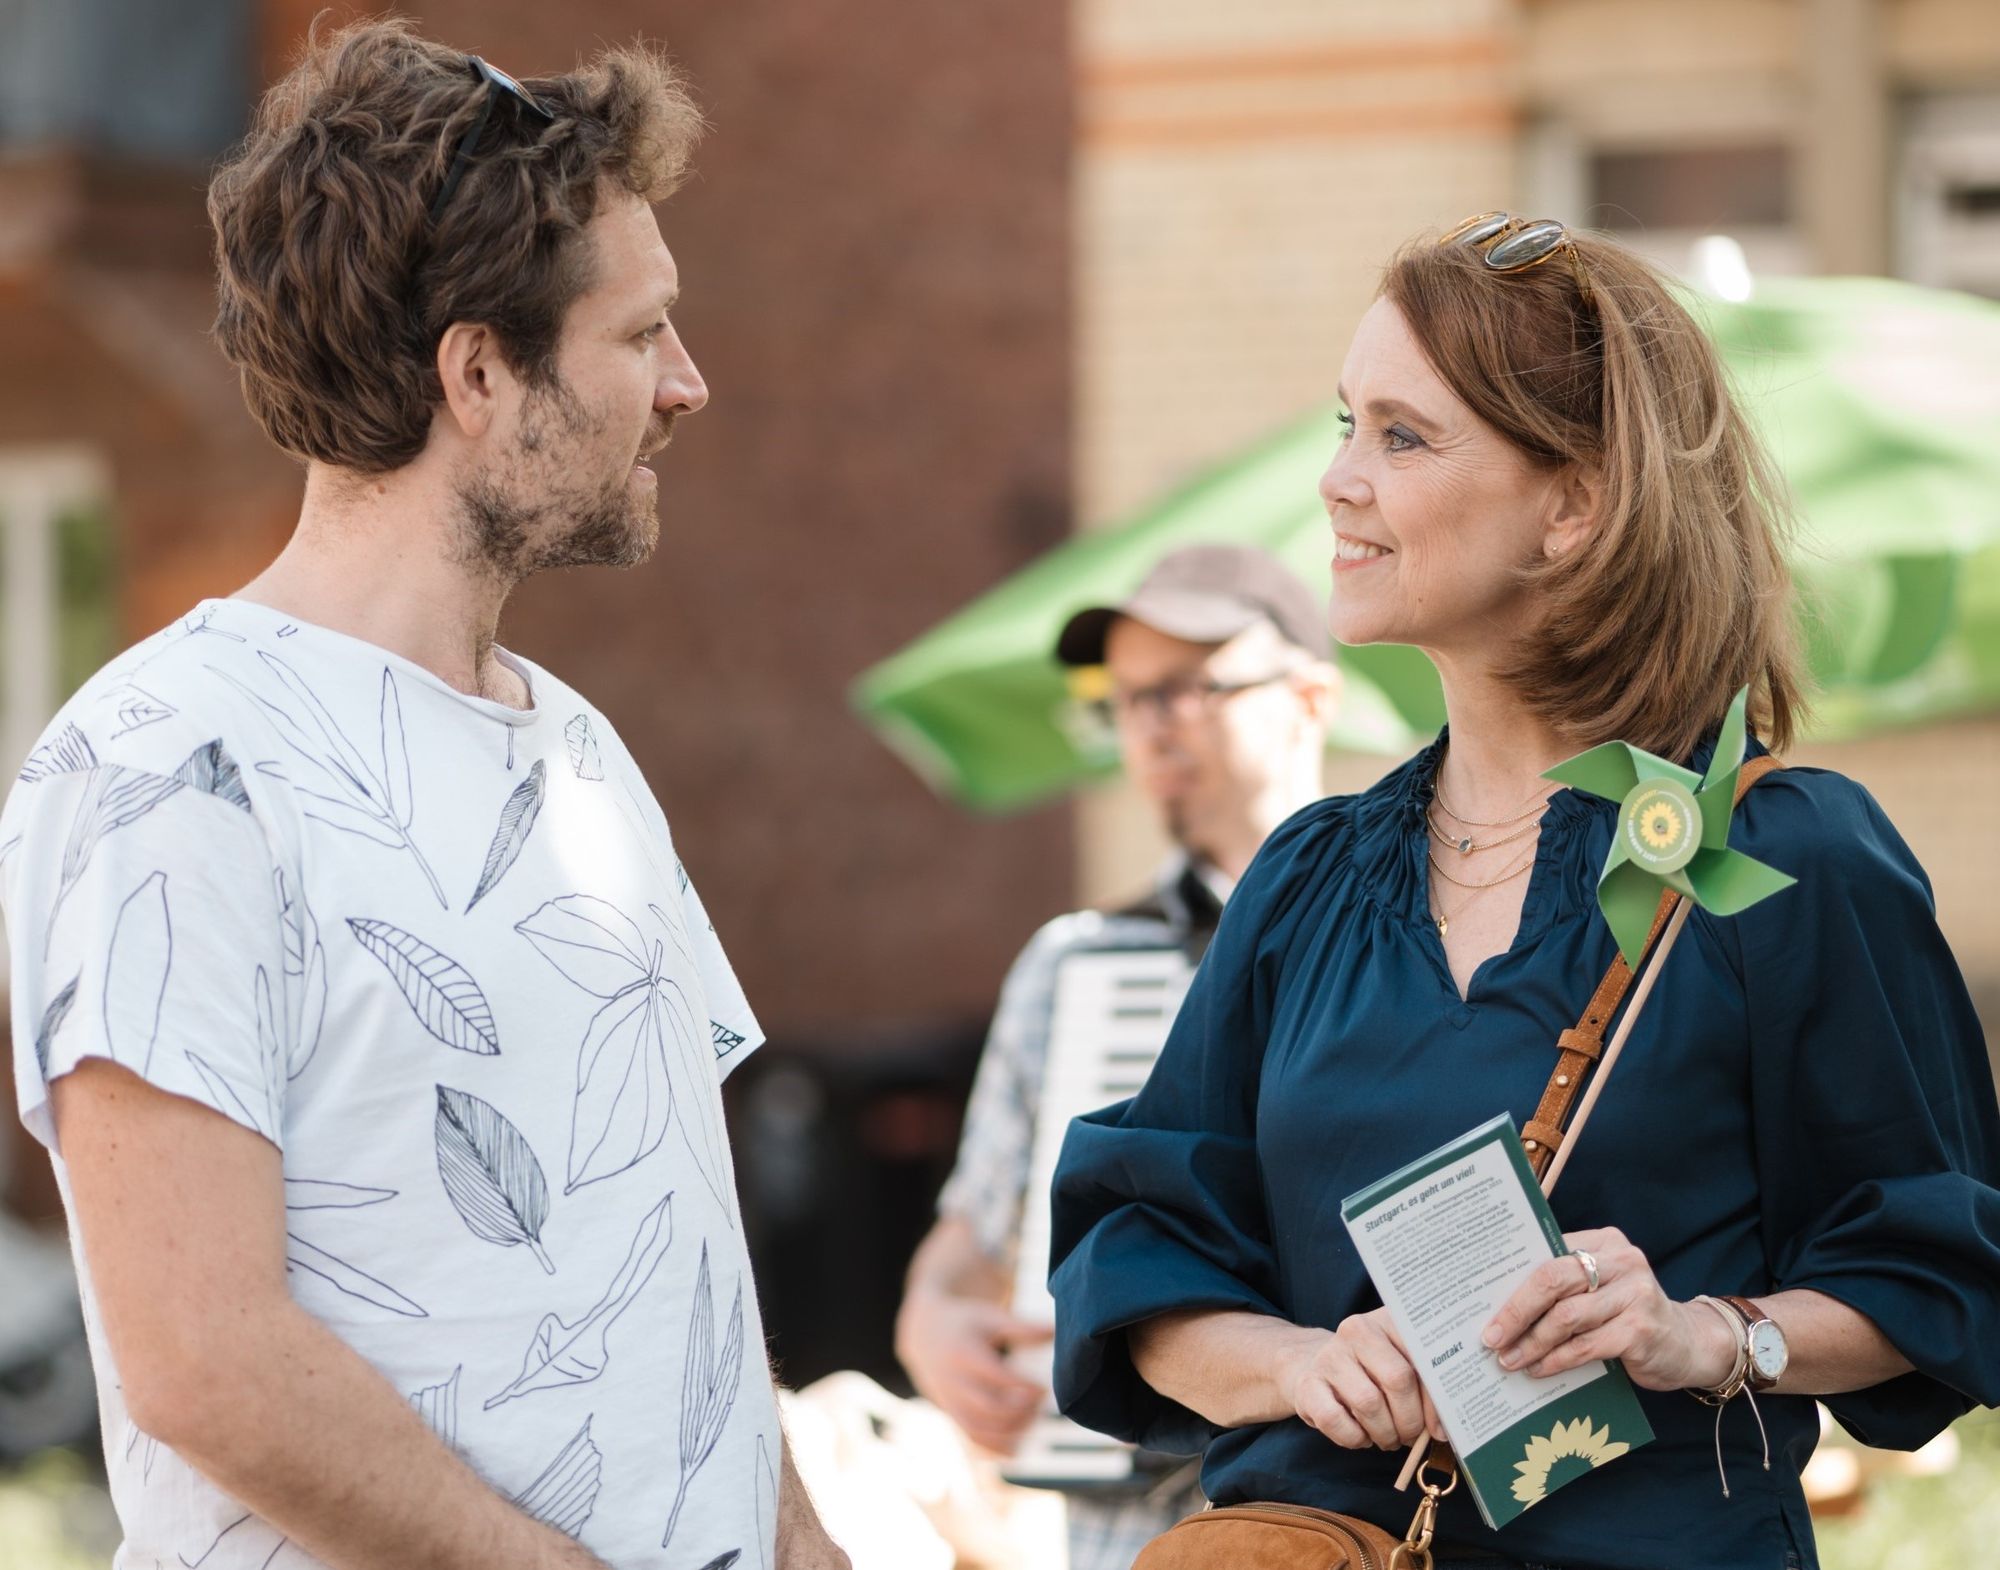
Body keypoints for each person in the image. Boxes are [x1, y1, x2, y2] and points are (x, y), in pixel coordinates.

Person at [0, 20, 848, 1570]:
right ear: (479, 371)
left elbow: (678, 1255)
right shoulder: (168, 761)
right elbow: (204, 1356)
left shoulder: (582, 754)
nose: (688, 386)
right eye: (641, 334)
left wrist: (800, 1540)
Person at [1048, 214, 2000, 1570]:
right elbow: (1143, 1243)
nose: (1337, 480)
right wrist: (1298, 1364)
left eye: (1402, 435)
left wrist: (1713, 1333)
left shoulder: (1780, 854)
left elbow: (1935, 1267)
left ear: (1576, 506)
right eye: (1344, 423)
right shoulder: (1309, 876)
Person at [896, 544, 1339, 1570]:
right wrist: (932, 1320)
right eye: (1128, 698)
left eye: (1188, 688)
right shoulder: (1071, 963)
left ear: (1308, 696)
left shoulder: (1405, 938)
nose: (1151, 726)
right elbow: (971, 1235)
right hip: (1124, 1536)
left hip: (1343, 1509)